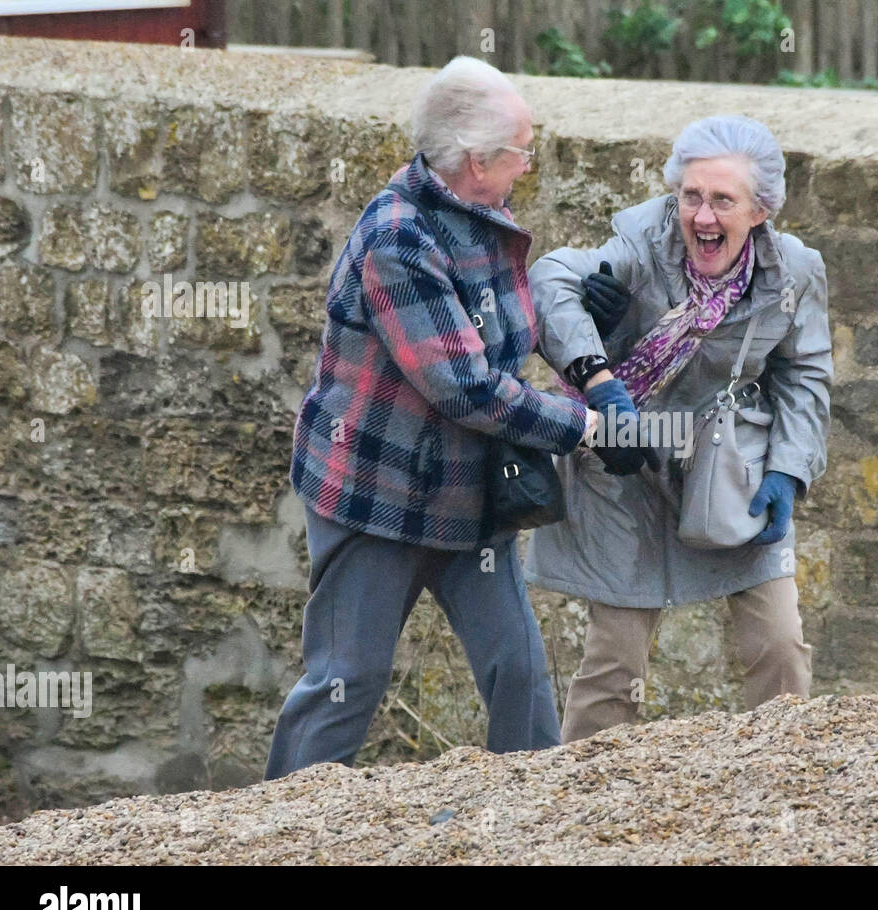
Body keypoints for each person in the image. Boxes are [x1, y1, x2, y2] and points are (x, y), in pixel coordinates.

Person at [265, 57, 649, 779]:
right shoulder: (398, 240)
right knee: (346, 685)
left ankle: (531, 823)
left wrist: (581, 334)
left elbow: (498, 332)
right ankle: (272, 834)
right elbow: (465, 386)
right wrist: (586, 429)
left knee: (519, 675)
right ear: (476, 161)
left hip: (469, 494)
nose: (527, 168)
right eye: (521, 152)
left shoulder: (478, 215)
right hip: (374, 496)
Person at [526, 115, 833, 743]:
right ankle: (576, 804)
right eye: (691, 196)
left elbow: (804, 374)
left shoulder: (794, 272)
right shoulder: (641, 243)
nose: (703, 217)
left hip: (730, 468)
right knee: (615, 663)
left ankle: (787, 779)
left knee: (778, 645)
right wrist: (601, 372)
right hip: (627, 465)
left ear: (762, 210)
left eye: (724, 200)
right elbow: (549, 277)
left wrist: (787, 471)